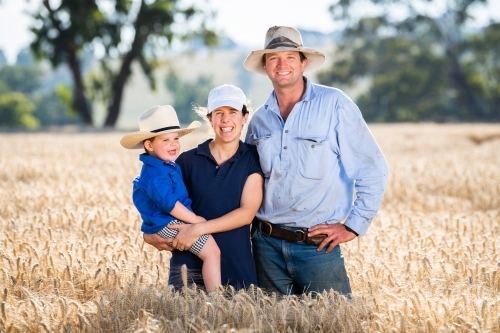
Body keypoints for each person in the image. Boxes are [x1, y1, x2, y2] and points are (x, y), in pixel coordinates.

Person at [243, 26, 389, 296]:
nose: (282, 64)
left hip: (317, 246)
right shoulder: (259, 120)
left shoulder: (335, 104)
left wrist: (353, 226)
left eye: (290, 57)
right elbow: (245, 180)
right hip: (265, 246)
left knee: (332, 323)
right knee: (271, 325)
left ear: (303, 63)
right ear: (265, 67)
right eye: (273, 58)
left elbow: (373, 169)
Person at [142, 84, 264, 290]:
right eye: (219, 113)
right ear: (209, 118)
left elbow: (246, 213)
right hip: (187, 271)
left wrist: (197, 229)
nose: (225, 119)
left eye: (233, 112)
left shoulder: (253, 158)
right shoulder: (186, 161)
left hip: (237, 270)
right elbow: (158, 199)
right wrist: (148, 235)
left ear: (245, 117)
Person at [120, 105, 222, 293]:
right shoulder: (154, 174)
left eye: (176, 138)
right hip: (170, 223)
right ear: (149, 145)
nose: (173, 144)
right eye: (165, 140)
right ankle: (216, 299)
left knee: (210, 252)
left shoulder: (164, 166)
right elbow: (170, 204)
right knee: (212, 253)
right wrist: (196, 221)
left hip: (168, 221)